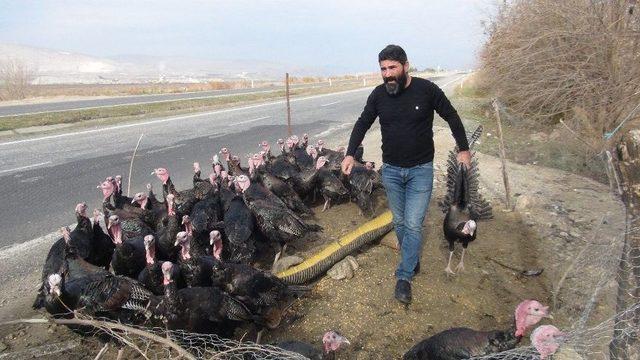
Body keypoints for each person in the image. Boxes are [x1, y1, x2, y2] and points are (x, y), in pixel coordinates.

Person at [341, 45, 471, 304]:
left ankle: (404, 276)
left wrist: (463, 148)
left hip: (420, 171)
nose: (387, 74)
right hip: (390, 171)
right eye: (383, 69)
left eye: (392, 68)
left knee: (412, 224)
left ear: (405, 66)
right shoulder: (378, 95)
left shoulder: (427, 90)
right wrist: (349, 153)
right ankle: (412, 258)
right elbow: (362, 123)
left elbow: (451, 115)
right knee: (400, 223)